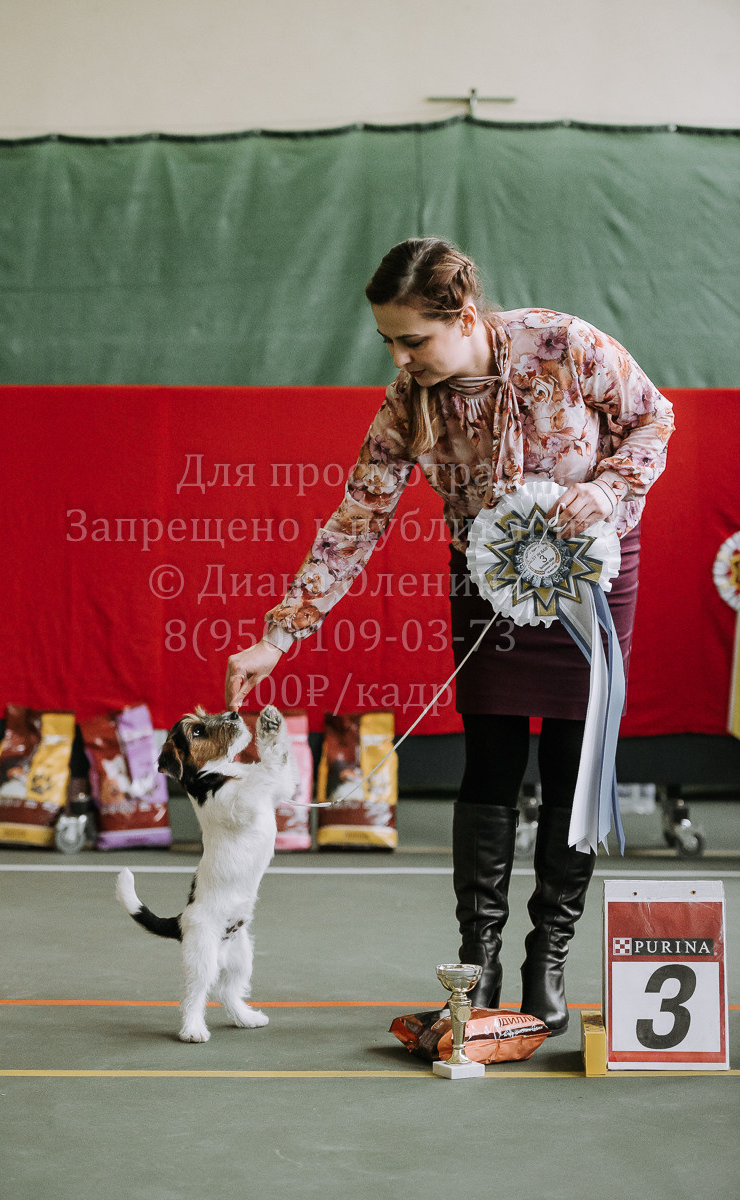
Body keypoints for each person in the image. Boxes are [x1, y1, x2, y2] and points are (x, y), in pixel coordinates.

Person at [224, 237, 674, 1034]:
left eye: (412, 340)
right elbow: (357, 517)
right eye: (387, 342)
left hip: (590, 578)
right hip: (486, 582)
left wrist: (606, 490)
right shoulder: (409, 399)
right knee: (490, 763)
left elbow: (651, 421)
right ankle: (479, 965)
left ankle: (548, 960)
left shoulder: (563, 342)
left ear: (463, 316)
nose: (399, 359)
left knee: (573, 765)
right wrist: (280, 634)